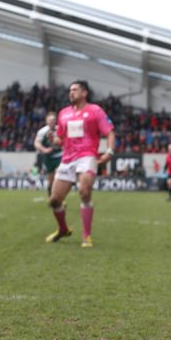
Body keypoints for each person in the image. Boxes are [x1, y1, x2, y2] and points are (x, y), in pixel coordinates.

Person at [45, 80, 115, 248]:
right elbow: (60, 140)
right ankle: (63, 229)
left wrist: (109, 152)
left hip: (87, 156)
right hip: (67, 159)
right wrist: (53, 139)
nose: (71, 93)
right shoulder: (63, 113)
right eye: (70, 90)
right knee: (54, 200)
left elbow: (110, 133)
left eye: (75, 90)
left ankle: (86, 236)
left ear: (84, 93)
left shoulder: (95, 111)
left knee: (84, 192)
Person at [34, 112, 62, 197]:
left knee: (59, 173)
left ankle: (58, 195)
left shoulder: (59, 129)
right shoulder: (42, 132)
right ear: (46, 121)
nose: (52, 122)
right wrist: (44, 149)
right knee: (51, 177)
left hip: (59, 155)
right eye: (50, 120)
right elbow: (36, 143)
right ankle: (50, 193)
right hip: (48, 157)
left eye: (53, 120)